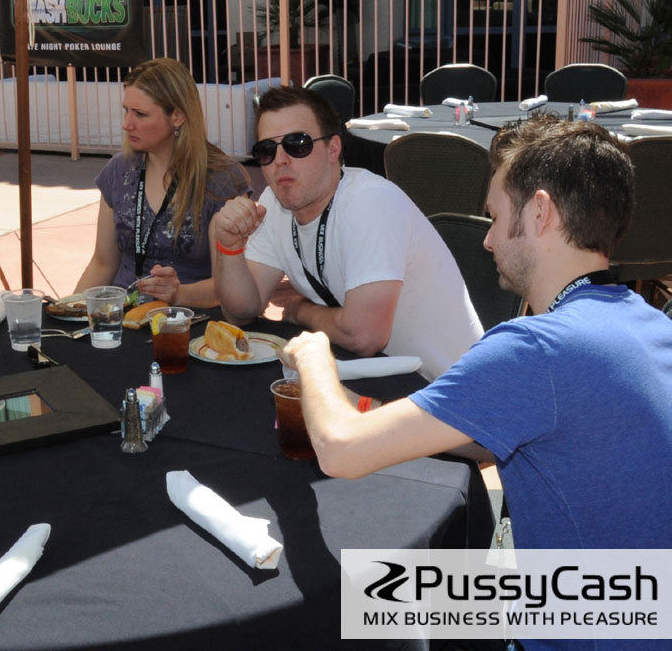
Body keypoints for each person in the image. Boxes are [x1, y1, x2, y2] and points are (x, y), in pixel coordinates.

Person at [281, 116, 672, 565]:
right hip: (642, 608)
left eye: (495, 217)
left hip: (574, 624)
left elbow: (340, 452)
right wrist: (367, 408)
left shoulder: (535, 349)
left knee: (369, 601)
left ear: (539, 212)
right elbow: (497, 433)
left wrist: (313, 355)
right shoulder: (652, 324)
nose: (487, 241)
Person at [212, 85, 482, 379]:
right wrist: (230, 247)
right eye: (266, 150)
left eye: (297, 144)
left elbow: (364, 337)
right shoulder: (274, 205)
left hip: (445, 389)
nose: (280, 160)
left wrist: (300, 310)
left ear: (333, 149)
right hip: (377, 376)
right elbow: (242, 311)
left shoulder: (370, 202)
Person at [74, 57, 249, 306]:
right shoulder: (119, 170)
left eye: (140, 114)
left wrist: (178, 293)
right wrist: (70, 310)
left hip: (191, 321)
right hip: (123, 317)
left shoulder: (221, 180)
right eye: (126, 110)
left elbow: (226, 288)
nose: (127, 124)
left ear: (177, 116)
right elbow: (102, 263)